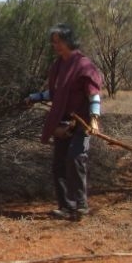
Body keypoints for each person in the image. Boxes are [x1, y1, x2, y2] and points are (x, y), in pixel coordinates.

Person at [24, 24, 104, 221]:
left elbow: (94, 95)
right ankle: (66, 206)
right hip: (62, 122)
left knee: (75, 159)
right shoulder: (58, 65)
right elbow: (56, 93)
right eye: (53, 42)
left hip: (81, 122)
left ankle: (81, 205)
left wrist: (94, 120)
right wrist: (35, 97)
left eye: (58, 42)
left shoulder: (84, 65)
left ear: (68, 41)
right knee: (59, 164)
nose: (55, 46)